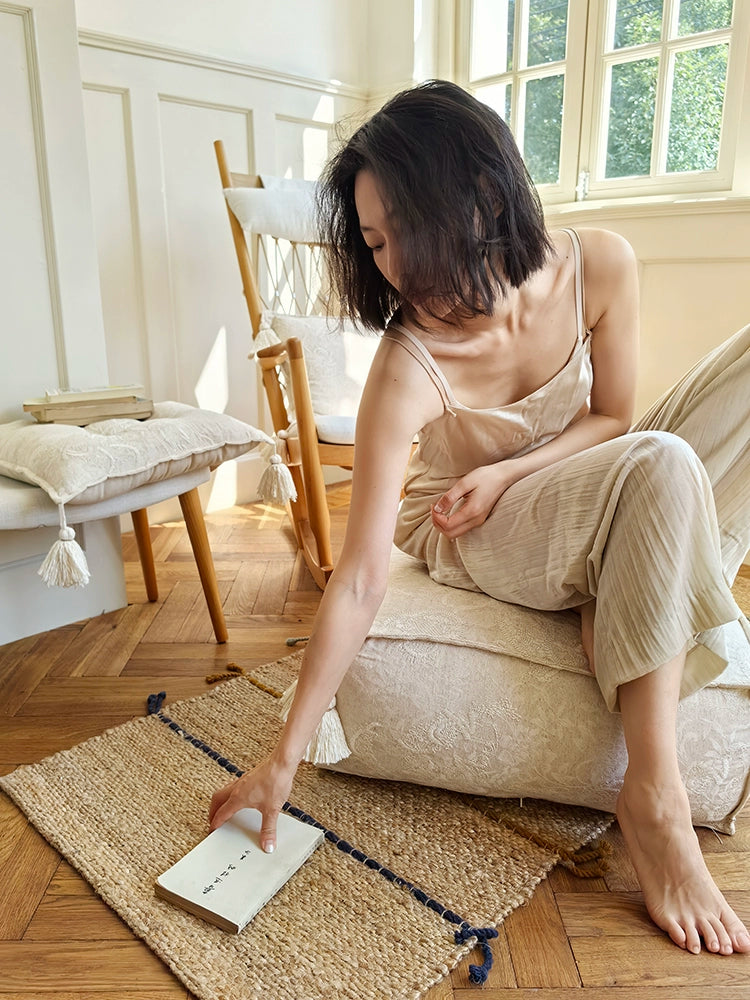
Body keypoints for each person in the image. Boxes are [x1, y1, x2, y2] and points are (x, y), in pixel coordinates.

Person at [209, 79, 750, 956]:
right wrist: (284, 756)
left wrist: (512, 471)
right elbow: (362, 576)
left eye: (403, 233)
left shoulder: (601, 265)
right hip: (468, 531)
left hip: (561, 481)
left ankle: (623, 580)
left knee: (681, 439)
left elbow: (614, 415)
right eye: (374, 243)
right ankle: (656, 799)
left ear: (483, 198)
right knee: (664, 466)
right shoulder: (409, 365)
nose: (388, 266)